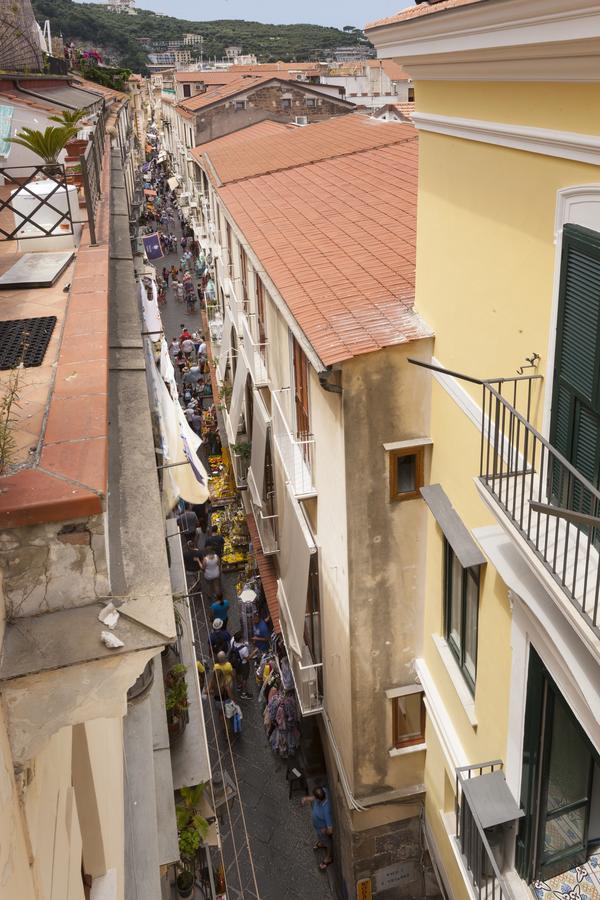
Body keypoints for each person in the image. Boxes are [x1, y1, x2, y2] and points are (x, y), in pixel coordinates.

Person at [302, 787, 334, 870]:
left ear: (319, 800)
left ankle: (328, 858)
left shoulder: (326, 810)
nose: (314, 798)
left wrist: (325, 831)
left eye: (315, 798)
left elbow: (330, 830)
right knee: (322, 839)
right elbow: (315, 797)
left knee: (328, 843)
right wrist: (307, 798)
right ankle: (322, 843)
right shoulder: (324, 791)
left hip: (321, 829)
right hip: (318, 827)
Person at [229, 631, 252, 699]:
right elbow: (247, 658)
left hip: (235, 662)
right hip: (243, 664)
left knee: (238, 674)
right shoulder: (244, 649)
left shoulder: (232, 640)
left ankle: (239, 685)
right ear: (240, 639)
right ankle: (244, 693)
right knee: (245, 678)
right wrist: (254, 652)